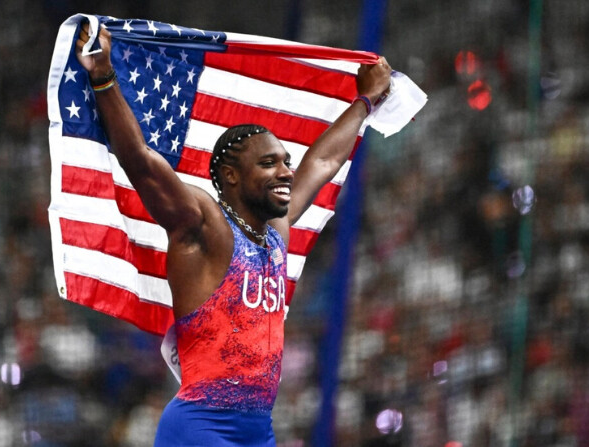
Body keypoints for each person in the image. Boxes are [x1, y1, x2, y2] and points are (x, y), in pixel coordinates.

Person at [75, 21, 391, 447]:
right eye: (269, 164)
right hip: (201, 427)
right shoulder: (203, 225)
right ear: (231, 177)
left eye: (284, 161)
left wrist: (365, 102)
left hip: (259, 431)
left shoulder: (274, 229)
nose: (285, 172)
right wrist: (103, 78)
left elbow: (321, 163)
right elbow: (141, 162)